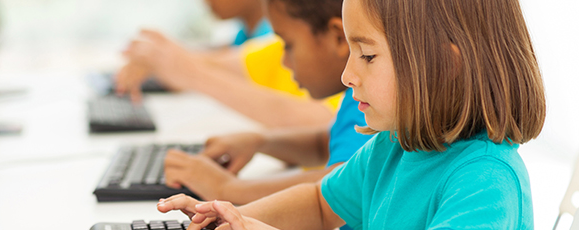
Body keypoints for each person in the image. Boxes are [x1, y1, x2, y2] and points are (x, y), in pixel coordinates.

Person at [156, 0, 545, 229]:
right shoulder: (391, 147)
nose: (347, 75)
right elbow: (319, 204)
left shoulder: (486, 183)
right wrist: (234, 219)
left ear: (445, 64)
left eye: (368, 56)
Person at [161, 0, 369, 206]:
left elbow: (343, 182)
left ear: (338, 38)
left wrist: (229, 189)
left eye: (288, 45)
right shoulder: (353, 98)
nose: (283, 62)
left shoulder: (369, 100)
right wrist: (260, 142)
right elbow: (323, 144)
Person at [115, 0, 339, 128]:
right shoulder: (278, 45)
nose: (284, 60)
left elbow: (323, 123)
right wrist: (163, 58)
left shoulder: (352, 78)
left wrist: (187, 71)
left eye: (288, 45)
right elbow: (222, 62)